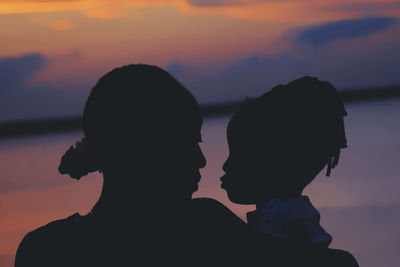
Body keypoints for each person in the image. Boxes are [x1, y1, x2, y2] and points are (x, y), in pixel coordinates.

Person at [15, 64, 249, 266]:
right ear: (137, 150)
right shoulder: (209, 229)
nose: (201, 160)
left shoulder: (49, 248)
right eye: (185, 143)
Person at [220, 76, 359, 266]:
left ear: (271, 164)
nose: (225, 166)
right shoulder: (300, 225)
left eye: (239, 155)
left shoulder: (271, 230)